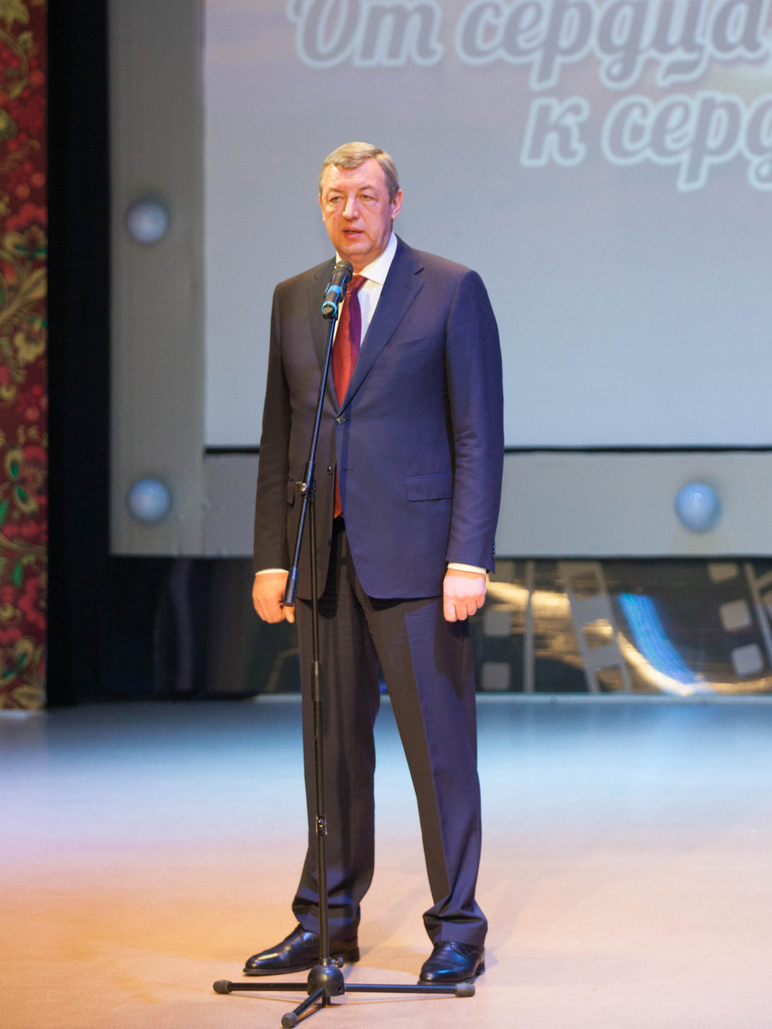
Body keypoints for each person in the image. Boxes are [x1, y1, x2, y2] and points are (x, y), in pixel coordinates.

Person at [246, 142, 504, 985]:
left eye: (364, 195)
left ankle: (457, 929)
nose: (348, 211)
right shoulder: (297, 298)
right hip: (323, 557)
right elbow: (281, 436)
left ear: (396, 203)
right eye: (334, 197)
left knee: (437, 752)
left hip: (421, 563)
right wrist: (272, 558)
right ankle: (325, 923)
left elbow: (477, 434)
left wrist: (467, 556)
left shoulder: (450, 289)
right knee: (331, 751)